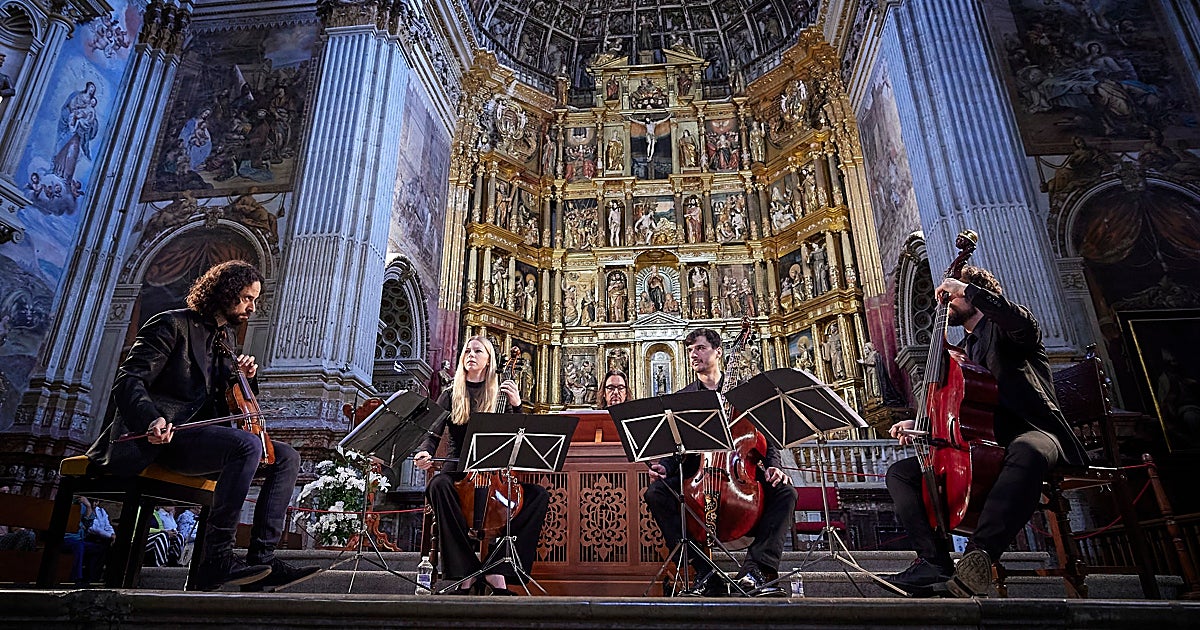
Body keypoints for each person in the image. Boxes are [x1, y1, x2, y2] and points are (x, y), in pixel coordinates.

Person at [85, 260, 321, 592]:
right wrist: (151, 418)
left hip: (200, 438)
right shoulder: (170, 325)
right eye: (246, 298)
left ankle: (263, 562)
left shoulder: (226, 338)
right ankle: (216, 560)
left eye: (255, 299)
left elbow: (218, 398)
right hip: (160, 438)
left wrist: (242, 376)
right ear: (223, 293)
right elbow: (129, 380)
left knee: (285, 457)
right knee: (248, 445)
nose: (251, 307)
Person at [883, 265, 1089, 597]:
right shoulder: (964, 350)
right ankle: (934, 561)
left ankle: (977, 557)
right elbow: (961, 407)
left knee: (1028, 451)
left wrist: (968, 289)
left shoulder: (1011, 331)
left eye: (953, 296)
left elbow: (1022, 321)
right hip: (982, 443)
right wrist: (919, 424)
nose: (946, 302)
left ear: (973, 293)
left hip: (1033, 430)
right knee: (901, 474)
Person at [643, 328, 796, 597]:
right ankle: (703, 572)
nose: (694, 354)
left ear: (718, 352)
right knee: (656, 492)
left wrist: (774, 466)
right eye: (690, 350)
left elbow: (768, 437)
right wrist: (665, 466)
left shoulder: (745, 395)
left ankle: (758, 569)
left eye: (700, 348)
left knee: (785, 492)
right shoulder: (684, 398)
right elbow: (674, 444)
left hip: (740, 473)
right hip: (697, 475)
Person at [413, 335, 550, 595]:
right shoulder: (450, 393)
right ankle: (466, 573)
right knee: (437, 485)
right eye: (467, 350)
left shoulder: (500, 394)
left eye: (478, 351)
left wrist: (517, 406)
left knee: (538, 497)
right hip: (458, 473)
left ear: (489, 361)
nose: (470, 355)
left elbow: (520, 437)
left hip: (495, 475)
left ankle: (497, 570)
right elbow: (432, 435)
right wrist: (424, 453)